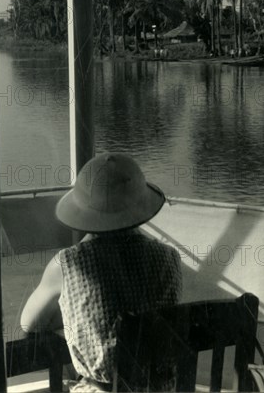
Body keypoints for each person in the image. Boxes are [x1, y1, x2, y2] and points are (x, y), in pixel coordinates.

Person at [21, 153, 182, 392]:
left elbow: (29, 324)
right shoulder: (169, 258)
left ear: (81, 211)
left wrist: (74, 324)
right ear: (140, 206)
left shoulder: (68, 264)